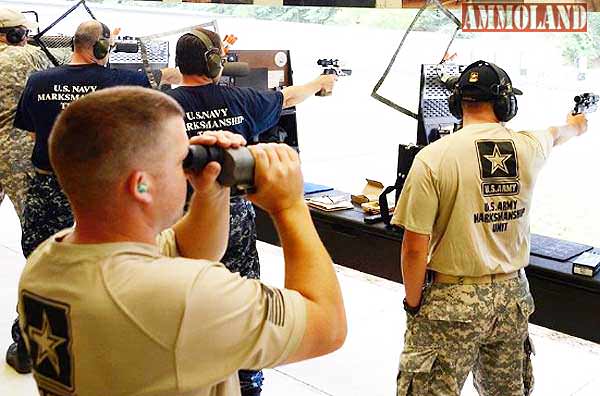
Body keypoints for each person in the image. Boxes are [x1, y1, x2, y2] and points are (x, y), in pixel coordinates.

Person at [17, 86, 346, 396]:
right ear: (141, 186)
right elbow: (327, 326)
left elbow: (191, 252)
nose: (188, 168)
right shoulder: (184, 299)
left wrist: (211, 188)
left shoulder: (49, 260)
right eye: (182, 160)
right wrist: (289, 206)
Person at [391, 60, 588, 395]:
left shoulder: (432, 157)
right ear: (506, 105)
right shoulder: (528, 145)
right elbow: (557, 134)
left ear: (457, 103)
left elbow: (413, 247)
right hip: (511, 298)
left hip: (452, 299)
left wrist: (413, 304)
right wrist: (577, 125)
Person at [167, 27, 337, 394]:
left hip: (179, 223)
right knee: (242, 300)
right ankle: (246, 377)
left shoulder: (161, 107)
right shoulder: (241, 100)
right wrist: (319, 82)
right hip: (235, 222)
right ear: (215, 63)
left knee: (182, 299)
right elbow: (288, 97)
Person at [11, 18, 181, 373]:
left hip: (50, 184)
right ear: (102, 47)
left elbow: (29, 132)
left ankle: (28, 345)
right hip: (107, 189)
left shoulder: (39, 81)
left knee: (43, 262)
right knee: (116, 262)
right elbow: (159, 102)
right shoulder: (126, 80)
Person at [0, 7, 71, 374]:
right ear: (16, 35)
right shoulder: (26, 56)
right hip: (17, 157)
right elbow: (74, 62)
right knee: (40, 251)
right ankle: (28, 343)